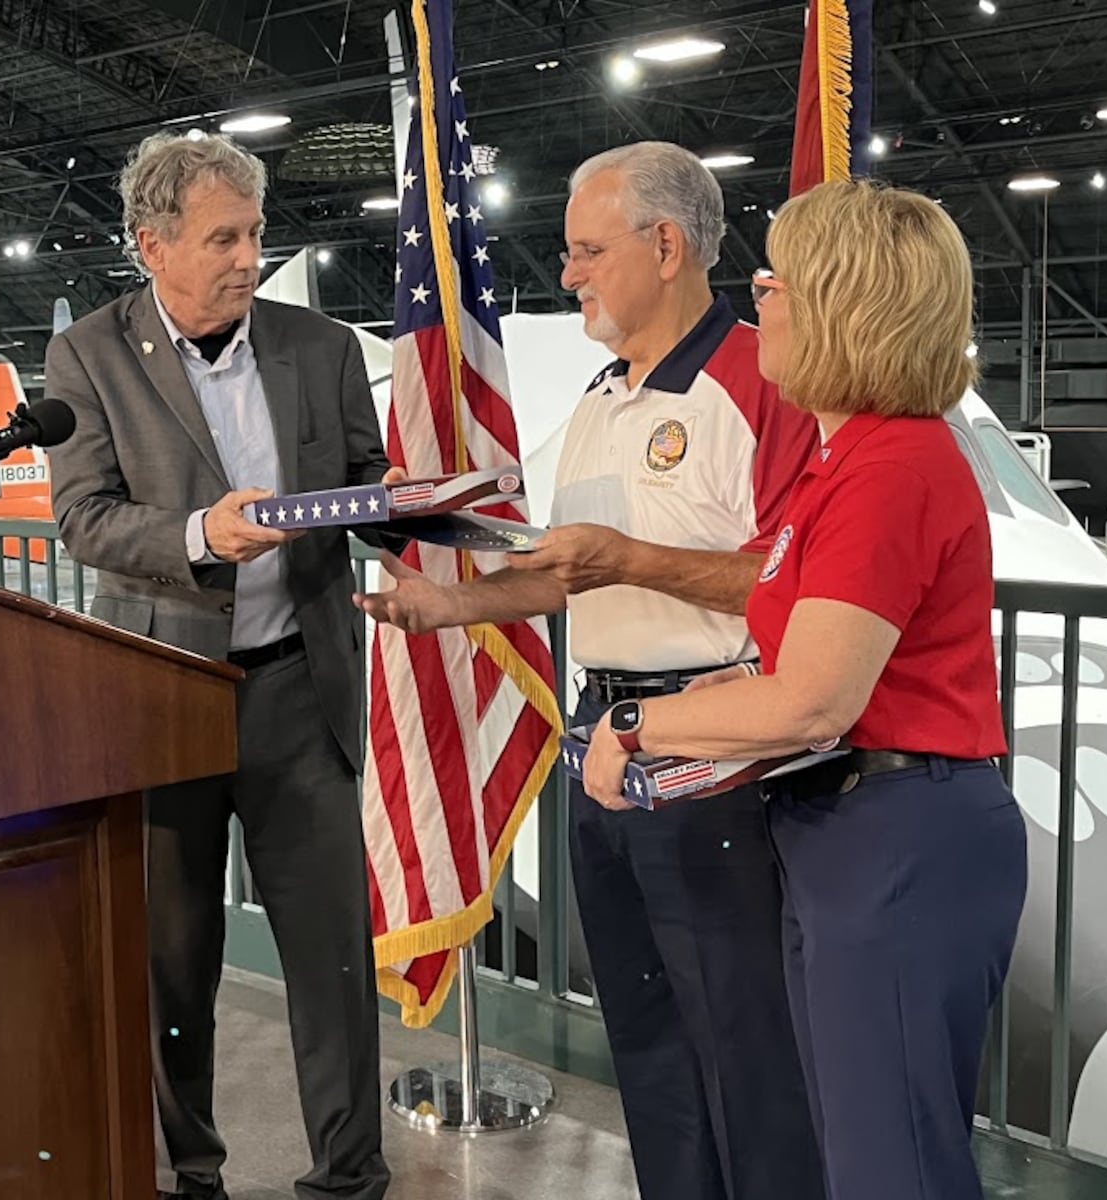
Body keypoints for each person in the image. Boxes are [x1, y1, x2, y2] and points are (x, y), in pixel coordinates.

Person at [355, 141, 823, 1200]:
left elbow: (794, 583)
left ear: (665, 246)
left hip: (713, 752)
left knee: (746, 1051)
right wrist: (453, 602)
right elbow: (575, 576)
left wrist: (628, 560)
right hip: (602, 746)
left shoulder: (762, 383)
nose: (568, 274)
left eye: (585, 251)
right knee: (648, 1043)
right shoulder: (605, 397)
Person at [577, 179, 1027, 1199]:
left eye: (775, 281)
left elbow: (811, 698)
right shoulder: (843, 463)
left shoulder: (890, 468)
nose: (758, 298)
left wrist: (639, 724)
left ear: (841, 306)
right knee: (855, 1145)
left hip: (897, 833)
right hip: (843, 827)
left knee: (889, 1163)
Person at [45, 131, 393, 1200]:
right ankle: (188, 1175)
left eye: (254, 234)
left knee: (332, 965)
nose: (248, 258)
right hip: (165, 697)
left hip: (301, 689)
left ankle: (348, 1177)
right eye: (222, 238)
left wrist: (425, 511)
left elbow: (368, 477)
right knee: (172, 966)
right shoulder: (88, 355)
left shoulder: (321, 346)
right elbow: (84, 518)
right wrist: (202, 533)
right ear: (151, 246)